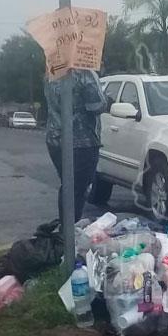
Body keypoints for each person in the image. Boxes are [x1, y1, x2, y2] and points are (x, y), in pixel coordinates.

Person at [44, 69, 108, 223]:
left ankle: (66, 230)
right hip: (82, 141)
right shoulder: (85, 73)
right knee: (78, 189)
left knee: (68, 186)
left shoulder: (51, 71)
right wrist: (107, 100)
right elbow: (96, 105)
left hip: (55, 138)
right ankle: (69, 234)